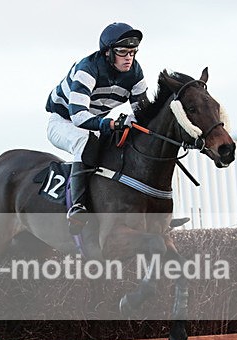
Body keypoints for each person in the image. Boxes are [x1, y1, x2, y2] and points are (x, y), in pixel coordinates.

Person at [46, 22, 150, 234]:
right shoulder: (88, 68)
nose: (129, 58)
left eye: (132, 52)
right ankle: (77, 206)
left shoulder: (135, 72)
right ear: (108, 52)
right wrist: (111, 123)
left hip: (93, 123)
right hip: (64, 121)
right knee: (83, 141)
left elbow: (144, 112)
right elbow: (78, 117)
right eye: (122, 52)